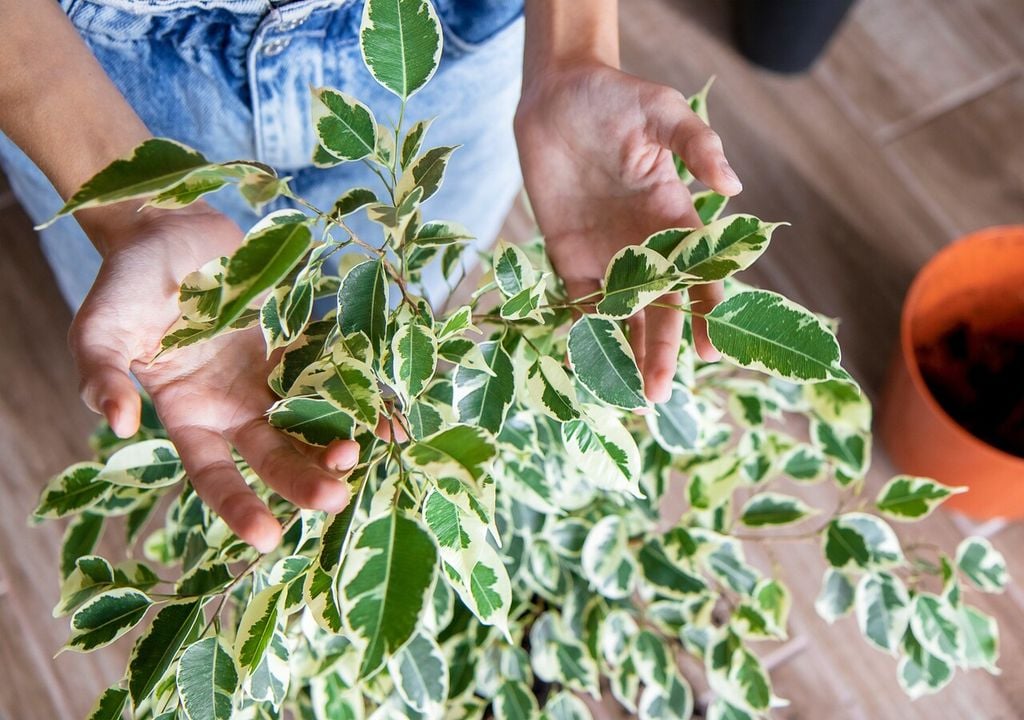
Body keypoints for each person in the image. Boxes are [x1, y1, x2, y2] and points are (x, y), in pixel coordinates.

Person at [0, 0, 742, 552]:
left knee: (392, 329)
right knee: (188, 364)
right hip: (91, 79)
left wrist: (575, 48)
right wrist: (134, 213)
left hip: (447, 44)